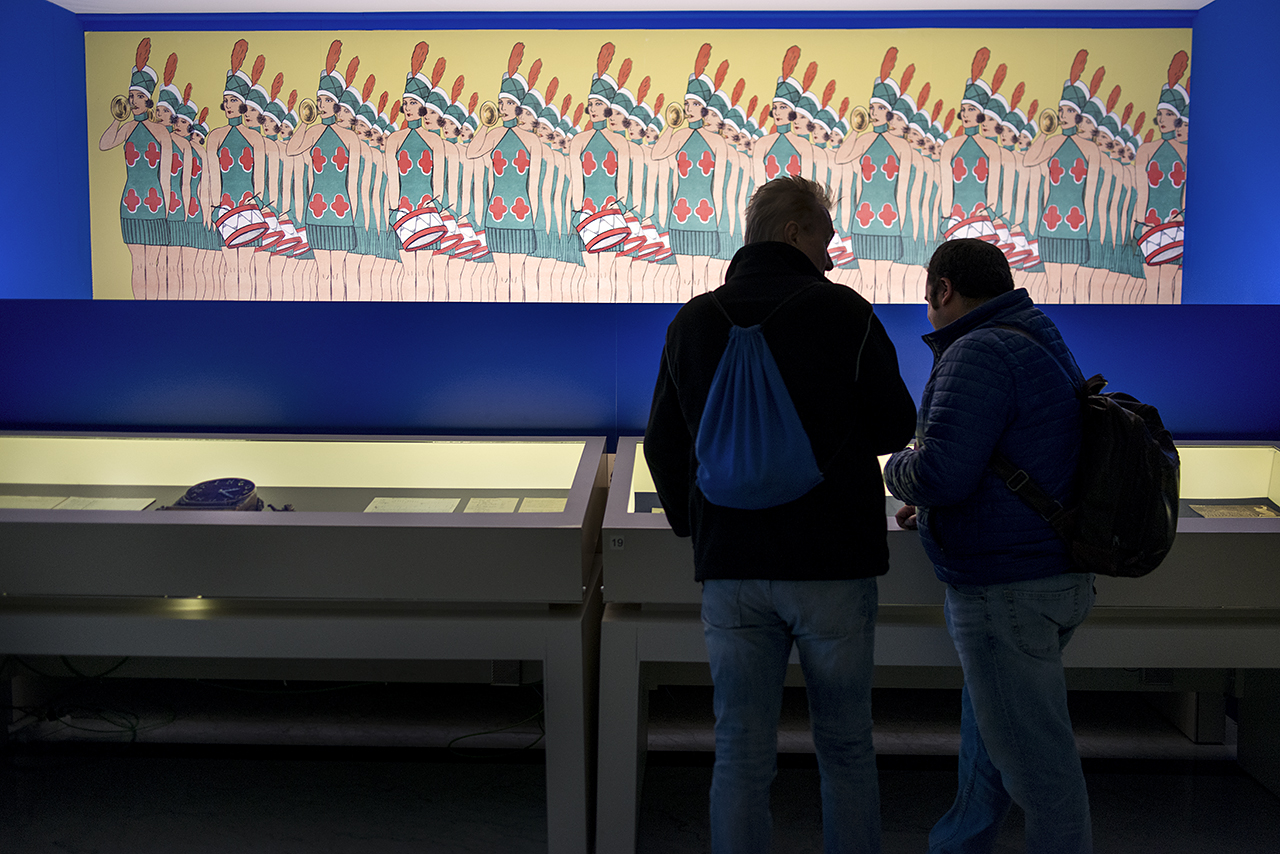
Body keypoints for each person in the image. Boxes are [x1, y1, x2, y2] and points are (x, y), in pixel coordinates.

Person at [645, 175, 916, 854]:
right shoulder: (845, 313)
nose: (831, 253)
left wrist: (697, 527)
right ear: (795, 232)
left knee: (739, 750)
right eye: (825, 237)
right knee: (846, 744)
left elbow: (662, 444)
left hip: (733, 565)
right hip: (833, 563)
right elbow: (894, 424)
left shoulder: (692, 321)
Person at [882, 237, 1094, 854]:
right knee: (989, 760)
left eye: (928, 297)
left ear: (944, 289)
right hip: (1051, 572)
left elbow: (941, 471)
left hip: (1006, 591)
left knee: (1042, 777)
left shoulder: (975, 350)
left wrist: (897, 468)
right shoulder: (1035, 334)